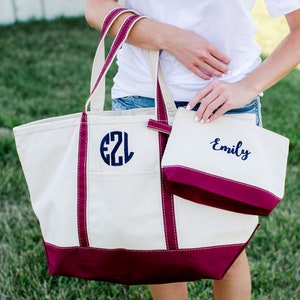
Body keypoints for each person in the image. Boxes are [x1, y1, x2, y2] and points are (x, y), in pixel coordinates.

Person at [85, 1, 300, 299]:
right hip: (142, 98)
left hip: (227, 106)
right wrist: (169, 38)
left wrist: (248, 87)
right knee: (157, 247)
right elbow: (96, 8)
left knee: (229, 247)